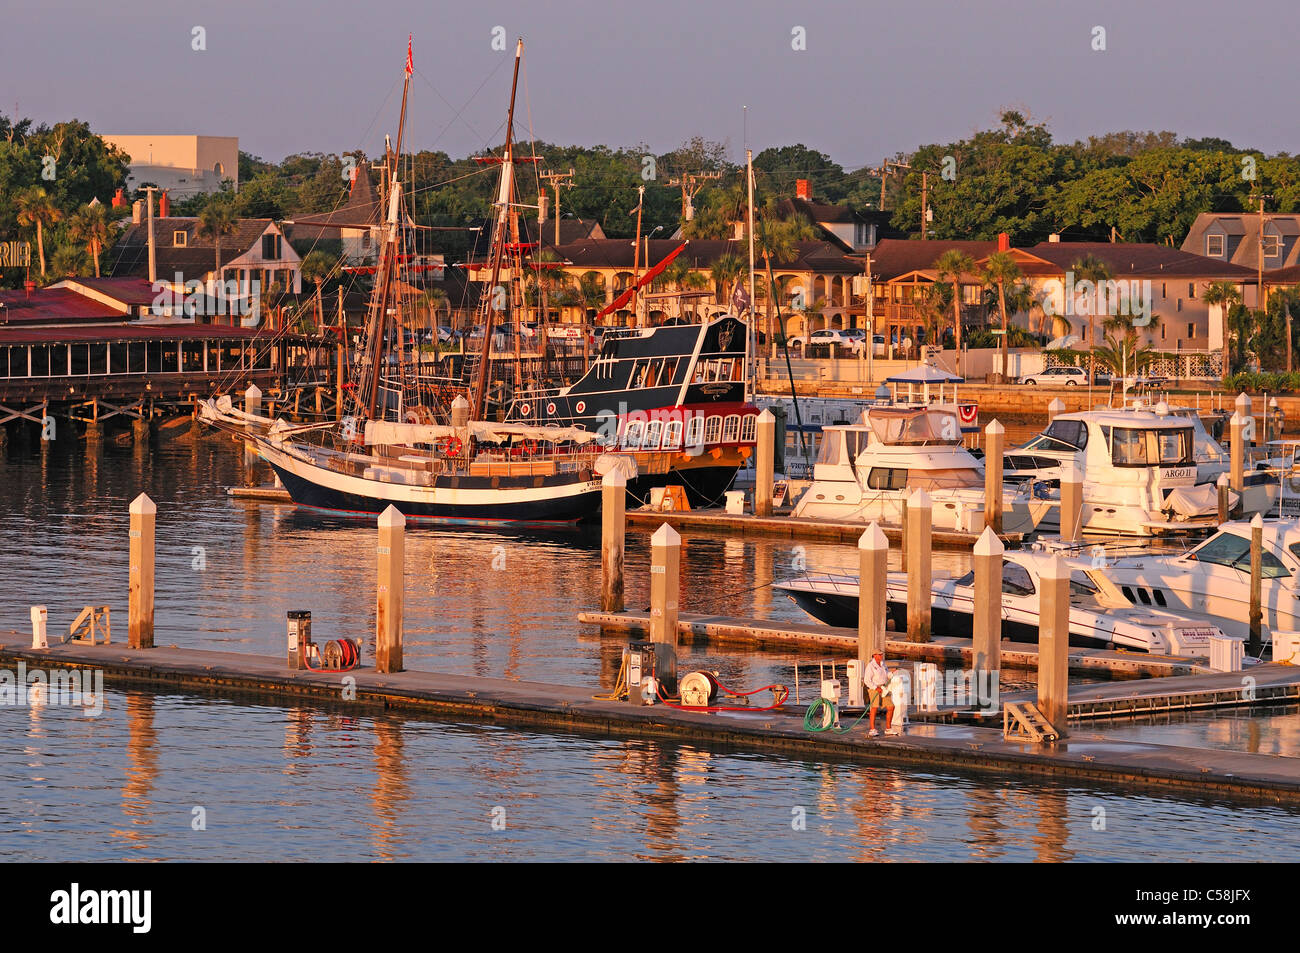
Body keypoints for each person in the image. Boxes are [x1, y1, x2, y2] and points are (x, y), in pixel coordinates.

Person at [865, 651, 895, 737]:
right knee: (874, 708)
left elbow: (887, 674)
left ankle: (888, 729)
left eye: (882, 654)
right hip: (874, 689)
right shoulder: (870, 666)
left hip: (884, 688)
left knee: (891, 707)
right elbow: (867, 680)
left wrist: (892, 674)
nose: (881, 655)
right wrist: (876, 688)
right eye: (879, 654)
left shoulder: (883, 664)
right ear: (874, 655)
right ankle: (872, 729)